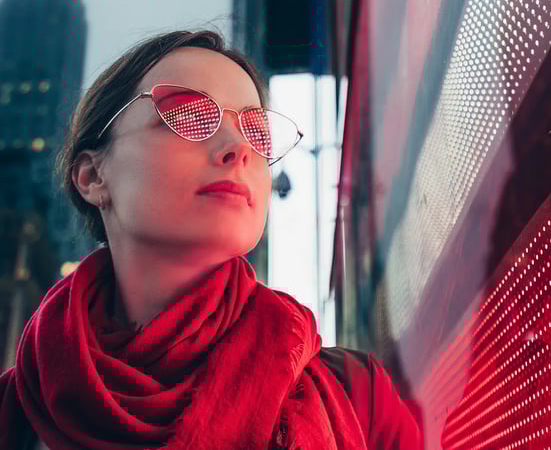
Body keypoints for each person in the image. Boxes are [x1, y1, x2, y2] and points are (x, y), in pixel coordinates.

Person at [0, 29, 422, 449]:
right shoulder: (15, 414)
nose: (238, 147)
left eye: (257, 132)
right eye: (186, 116)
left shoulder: (360, 397)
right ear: (93, 176)